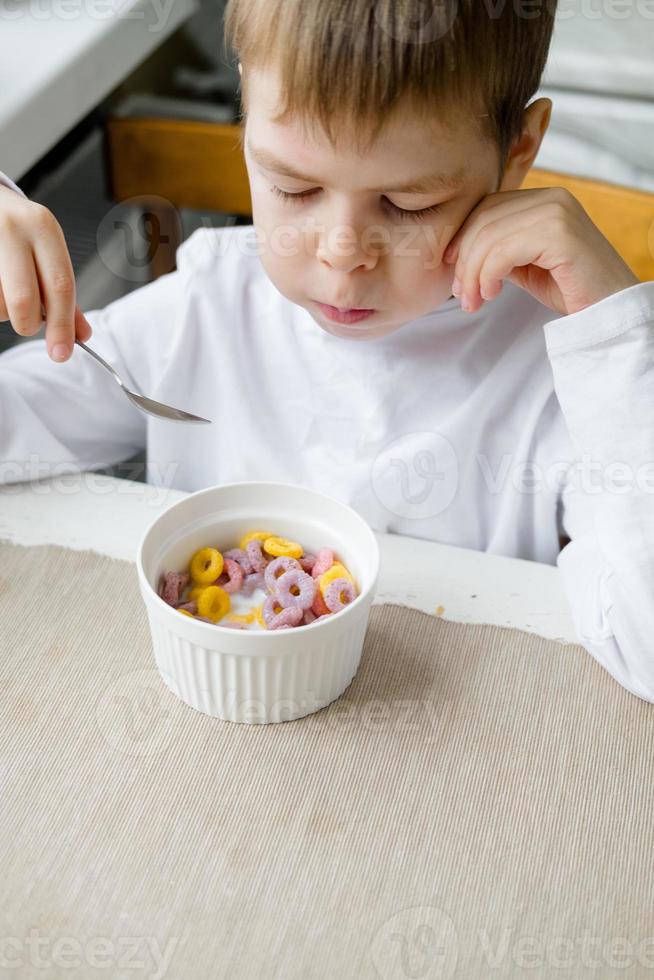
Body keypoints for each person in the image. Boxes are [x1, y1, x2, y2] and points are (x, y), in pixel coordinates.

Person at [0, 0, 653, 700]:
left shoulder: (565, 369)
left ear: (518, 151)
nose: (343, 258)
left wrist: (613, 337)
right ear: (247, 106)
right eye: (293, 187)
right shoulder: (204, 310)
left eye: (407, 205)